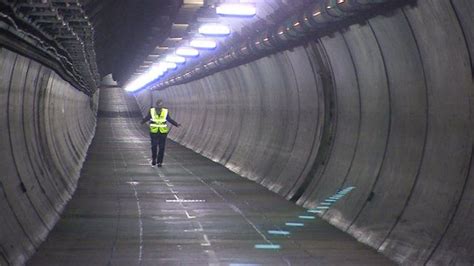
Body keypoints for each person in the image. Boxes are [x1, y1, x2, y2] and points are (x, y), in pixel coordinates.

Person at [141, 99, 181, 167]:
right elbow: (148, 117)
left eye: (162, 104)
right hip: (154, 131)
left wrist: (176, 124)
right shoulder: (152, 110)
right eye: (159, 104)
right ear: (157, 104)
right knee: (154, 146)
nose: (161, 105)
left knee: (162, 147)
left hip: (163, 132)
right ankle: (154, 159)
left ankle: (159, 162)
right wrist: (142, 122)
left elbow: (169, 119)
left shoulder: (165, 111)